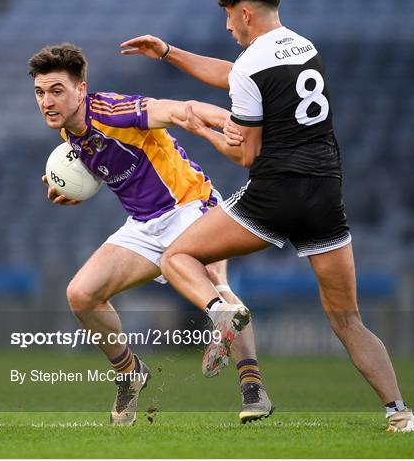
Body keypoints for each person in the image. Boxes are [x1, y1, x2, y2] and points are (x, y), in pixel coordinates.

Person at [120, 0, 414, 433]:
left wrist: (207, 133)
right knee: (347, 318)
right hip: (325, 193)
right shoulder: (304, 47)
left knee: (177, 254)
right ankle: (399, 412)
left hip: (275, 193)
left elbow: (246, 156)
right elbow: (235, 75)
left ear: (244, 13)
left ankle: (223, 314)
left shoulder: (250, 66)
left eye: (228, 19)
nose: (226, 28)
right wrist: (169, 53)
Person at [28, 43, 273, 425]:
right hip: (144, 224)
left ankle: (252, 386)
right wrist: (71, 189)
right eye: (40, 93)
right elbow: (104, 166)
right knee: (81, 295)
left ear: (81, 89)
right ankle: (130, 374)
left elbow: (176, 109)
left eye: (56, 90)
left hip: (191, 206)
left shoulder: (111, 109)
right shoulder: (69, 136)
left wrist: (228, 122)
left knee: (215, 283)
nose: (47, 101)